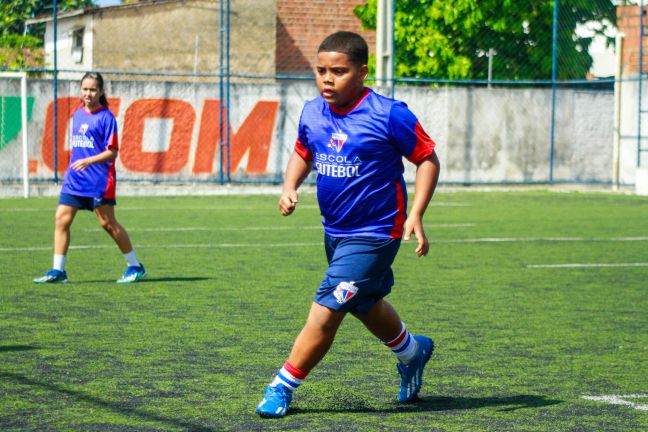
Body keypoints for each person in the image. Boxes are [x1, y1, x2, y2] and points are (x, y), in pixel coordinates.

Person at [256, 31, 441, 418]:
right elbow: (304, 151)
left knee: (326, 311)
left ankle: (282, 386)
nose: (327, 79)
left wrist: (417, 214)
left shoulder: (389, 113)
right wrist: (289, 186)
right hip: (335, 232)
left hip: (376, 234)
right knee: (365, 304)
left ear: (362, 72)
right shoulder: (311, 112)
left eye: (338, 71)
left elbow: (426, 158)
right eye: (321, 70)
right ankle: (412, 351)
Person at [33, 72, 146, 285]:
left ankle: (135, 266)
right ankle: (58, 270)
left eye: (93, 89)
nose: (88, 93)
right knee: (61, 220)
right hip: (75, 180)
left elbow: (112, 152)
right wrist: (79, 165)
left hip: (99, 181)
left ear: (101, 92)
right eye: (85, 89)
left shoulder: (106, 118)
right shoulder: (77, 114)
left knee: (108, 223)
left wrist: (89, 161)